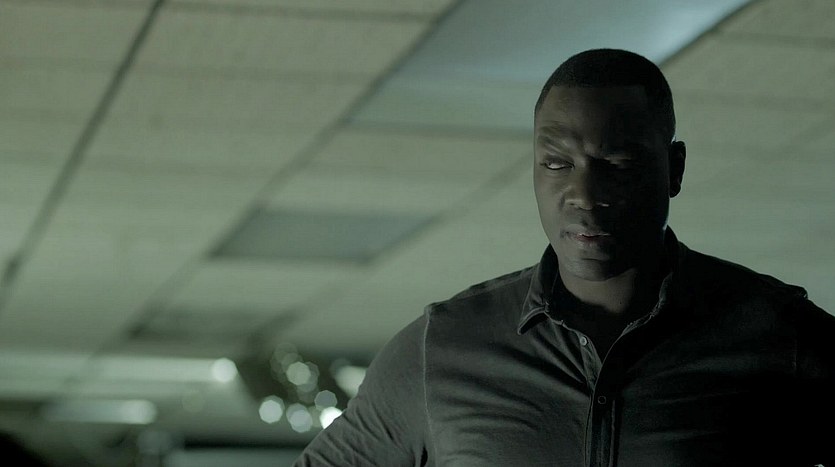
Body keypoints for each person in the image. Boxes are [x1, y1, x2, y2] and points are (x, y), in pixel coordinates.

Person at [293, 49, 835, 466]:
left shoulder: (778, 335)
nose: (584, 194)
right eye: (556, 164)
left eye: (618, 164)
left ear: (674, 169)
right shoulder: (445, 350)